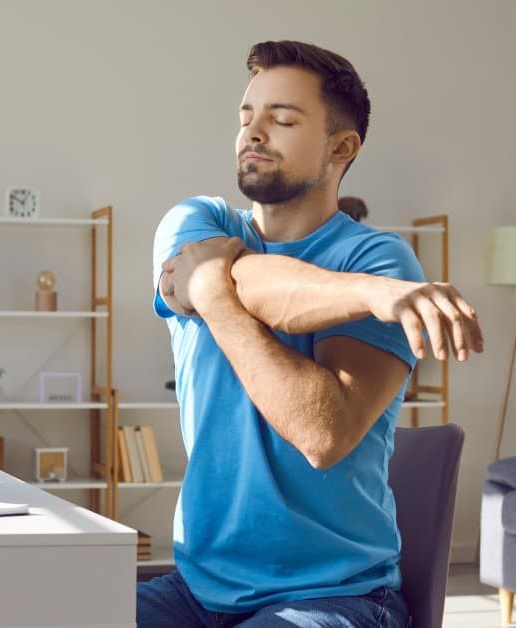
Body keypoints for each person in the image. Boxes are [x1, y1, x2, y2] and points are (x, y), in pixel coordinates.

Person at [142, 40, 484, 627]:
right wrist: (371, 297)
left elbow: (321, 432)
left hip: (332, 598)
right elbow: (222, 281)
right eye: (247, 117)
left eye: (282, 119)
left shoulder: (380, 258)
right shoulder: (194, 219)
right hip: (195, 593)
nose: (253, 133)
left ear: (341, 146)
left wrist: (214, 294)